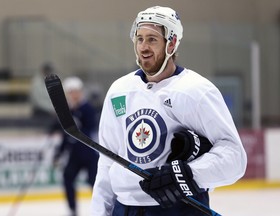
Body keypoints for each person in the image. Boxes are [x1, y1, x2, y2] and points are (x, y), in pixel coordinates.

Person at [90, 6, 247, 216]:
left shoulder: (196, 91)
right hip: (125, 209)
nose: (144, 47)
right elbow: (107, 160)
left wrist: (185, 175)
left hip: (180, 208)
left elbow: (234, 157)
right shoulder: (119, 91)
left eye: (152, 39)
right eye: (140, 39)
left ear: (171, 43)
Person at [52, 76, 99, 216]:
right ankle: (72, 210)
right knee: (67, 178)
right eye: (70, 92)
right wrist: (59, 152)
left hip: (89, 153)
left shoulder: (87, 108)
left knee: (95, 183)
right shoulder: (68, 112)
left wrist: (75, 129)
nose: (73, 95)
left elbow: (89, 129)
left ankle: (101, 210)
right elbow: (66, 136)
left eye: (75, 91)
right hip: (75, 154)